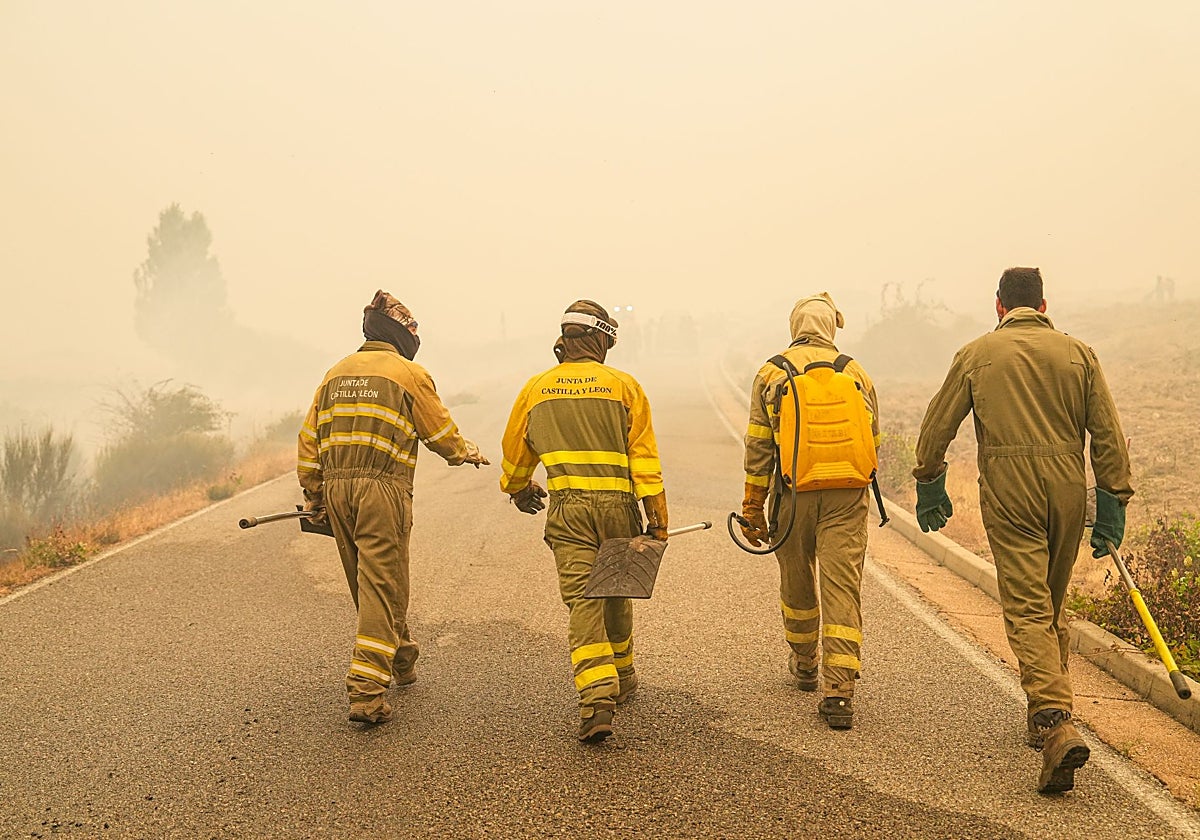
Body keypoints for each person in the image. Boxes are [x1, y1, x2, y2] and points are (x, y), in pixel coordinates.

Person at [912, 267, 1133, 794]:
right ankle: (1045, 716)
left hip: (1011, 490)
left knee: (1028, 608)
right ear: (1043, 305)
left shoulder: (977, 354)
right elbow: (1107, 432)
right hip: (1066, 490)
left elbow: (938, 425)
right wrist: (1112, 501)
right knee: (1050, 605)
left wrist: (930, 480)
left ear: (999, 306)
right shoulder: (1079, 354)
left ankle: (1055, 720)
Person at [298, 290, 489, 724]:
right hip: (382, 489)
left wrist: (314, 494)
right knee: (383, 586)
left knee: (367, 583)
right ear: (401, 334)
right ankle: (366, 692)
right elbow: (440, 435)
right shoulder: (409, 373)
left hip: (337, 491)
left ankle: (402, 658)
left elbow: (309, 440)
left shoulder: (335, 373)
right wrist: (468, 452)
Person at [499, 299, 668, 744]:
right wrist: (658, 517)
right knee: (615, 590)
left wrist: (518, 488)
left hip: (569, 510)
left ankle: (596, 699)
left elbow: (516, 453)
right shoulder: (624, 387)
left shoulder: (536, 389)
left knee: (582, 601)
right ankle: (623, 677)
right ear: (600, 339)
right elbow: (644, 460)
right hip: (619, 508)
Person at [739, 292, 880, 730]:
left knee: (797, 578)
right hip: (847, 497)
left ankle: (804, 663)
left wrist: (753, 507)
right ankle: (839, 690)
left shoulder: (771, 372)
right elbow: (873, 437)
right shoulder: (855, 371)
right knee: (843, 587)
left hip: (792, 493)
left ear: (795, 325)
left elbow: (759, 447)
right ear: (831, 326)